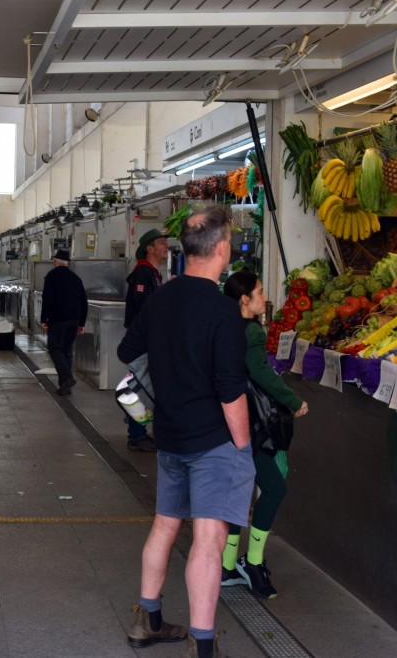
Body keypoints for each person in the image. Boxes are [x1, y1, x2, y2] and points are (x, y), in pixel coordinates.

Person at [117, 207, 255, 658]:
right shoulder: (223, 311)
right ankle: (203, 646)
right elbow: (231, 391)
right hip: (213, 441)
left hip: (170, 434)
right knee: (209, 539)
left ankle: (147, 620)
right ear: (222, 249)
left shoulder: (162, 297)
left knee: (165, 524)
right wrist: (243, 446)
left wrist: (167, 374)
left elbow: (127, 349)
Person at [220, 271, 308, 599]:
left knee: (236, 492)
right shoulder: (252, 330)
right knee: (274, 487)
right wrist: (294, 400)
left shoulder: (223, 326)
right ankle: (253, 562)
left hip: (223, 421)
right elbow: (259, 372)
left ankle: (227, 565)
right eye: (259, 291)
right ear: (244, 299)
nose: (264, 297)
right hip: (249, 424)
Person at [123, 228, 169, 452]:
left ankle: (139, 431)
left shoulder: (152, 273)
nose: (166, 247)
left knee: (144, 385)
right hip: (143, 341)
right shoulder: (143, 273)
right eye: (161, 243)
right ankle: (136, 435)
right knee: (140, 386)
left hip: (148, 339)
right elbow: (144, 309)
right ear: (149, 249)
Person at [40, 249, 88, 395]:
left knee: (55, 348)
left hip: (58, 319)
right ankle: (65, 386)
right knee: (67, 350)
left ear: (55, 262)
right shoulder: (76, 278)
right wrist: (81, 323)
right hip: (74, 319)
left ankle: (67, 377)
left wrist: (43, 319)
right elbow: (84, 302)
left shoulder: (52, 276)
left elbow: (47, 299)